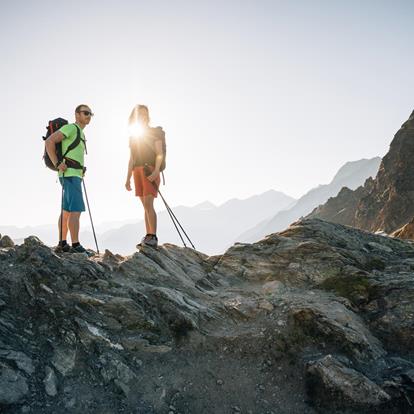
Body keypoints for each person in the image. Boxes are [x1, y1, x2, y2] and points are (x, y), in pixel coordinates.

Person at [45, 104, 93, 254]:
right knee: (76, 210)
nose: (88, 115)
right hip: (70, 175)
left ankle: (62, 243)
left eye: (90, 114)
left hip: (73, 174)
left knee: (66, 211)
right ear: (77, 114)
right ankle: (76, 245)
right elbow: (49, 141)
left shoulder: (80, 133)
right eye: (85, 112)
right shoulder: (72, 128)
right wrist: (57, 163)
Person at [125, 104, 164, 248]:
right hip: (137, 171)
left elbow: (159, 153)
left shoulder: (155, 132)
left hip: (150, 170)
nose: (142, 116)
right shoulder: (133, 136)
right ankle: (148, 235)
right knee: (145, 206)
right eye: (139, 114)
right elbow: (131, 159)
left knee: (148, 204)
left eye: (144, 114)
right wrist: (128, 178)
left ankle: (153, 236)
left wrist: (156, 171)